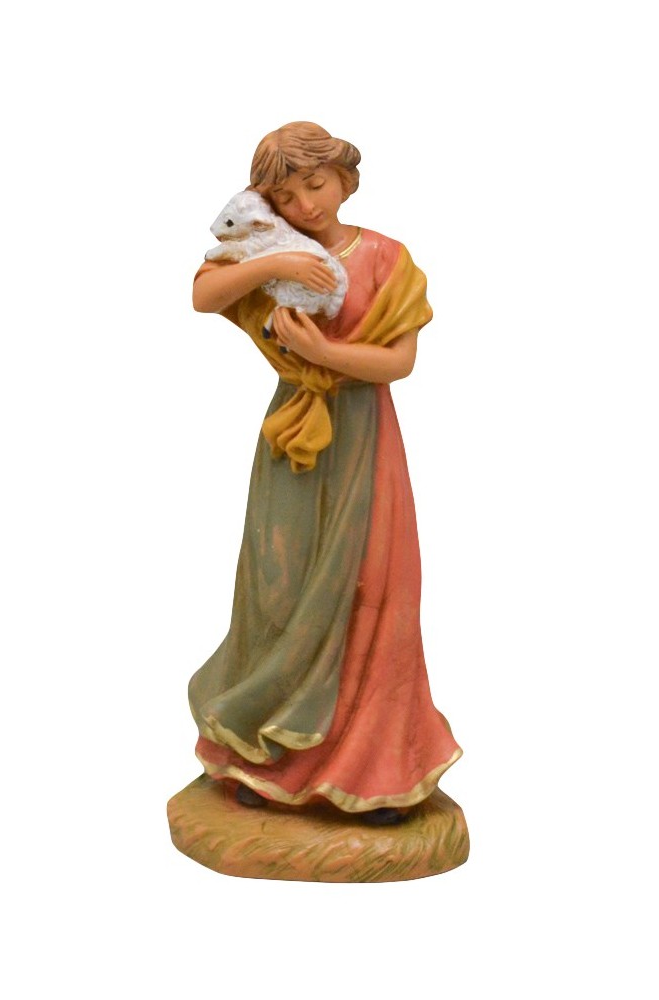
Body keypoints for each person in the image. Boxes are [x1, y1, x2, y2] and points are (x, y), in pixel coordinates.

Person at [188, 122, 461, 825]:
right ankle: (264, 757)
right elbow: (204, 295)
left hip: (362, 435)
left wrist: (326, 355)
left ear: (344, 178)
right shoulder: (267, 250)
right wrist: (278, 264)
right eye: (285, 196)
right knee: (278, 586)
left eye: (315, 185)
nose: (306, 205)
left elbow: (399, 362)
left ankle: (371, 768)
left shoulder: (386, 257)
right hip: (291, 439)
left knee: (371, 589)